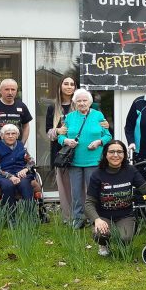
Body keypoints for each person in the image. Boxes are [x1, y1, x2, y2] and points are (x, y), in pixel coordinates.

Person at [58, 88, 113, 229]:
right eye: (79, 101)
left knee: (93, 191)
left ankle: (94, 218)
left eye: (85, 100)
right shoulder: (69, 117)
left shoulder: (98, 115)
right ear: (74, 102)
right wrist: (66, 141)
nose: (82, 103)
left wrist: (99, 142)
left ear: (90, 102)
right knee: (76, 192)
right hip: (74, 160)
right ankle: (78, 218)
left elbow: (108, 136)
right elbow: (60, 136)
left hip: (94, 160)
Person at [86, 140, 146, 257]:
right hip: (104, 216)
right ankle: (103, 244)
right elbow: (89, 202)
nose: (115, 155)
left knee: (125, 238)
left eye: (119, 152)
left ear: (124, 155)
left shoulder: (131, 171)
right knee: (101, 234)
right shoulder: (97, 174)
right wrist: (97, 219)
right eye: (111, 152)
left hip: (125, 215)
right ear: (105, 154)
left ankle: (122, 243)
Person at [46, 76, 77, 224]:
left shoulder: (80, 104)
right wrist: (58, 131)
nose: (69, 86)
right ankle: (67, 217)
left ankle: (81, 214)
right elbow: (48, 132)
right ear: (60, 87)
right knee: (64, 186)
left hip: (79, 151)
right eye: (66, 84)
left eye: (72, 84)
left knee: (79, 185)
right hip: (61, 152)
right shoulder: (53, 107)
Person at [0, 124, 37, 208]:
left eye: (13, 133)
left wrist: (25, 169)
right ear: (2, 136)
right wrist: (10, 176)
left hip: (21, 174)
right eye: (8, 134)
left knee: (25, 183)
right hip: (2, 176)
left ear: (17, 135)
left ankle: (30, 215)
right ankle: (10, 215)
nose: (11, 136)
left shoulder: (20, 146)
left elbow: (31, 161)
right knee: (8, 185)